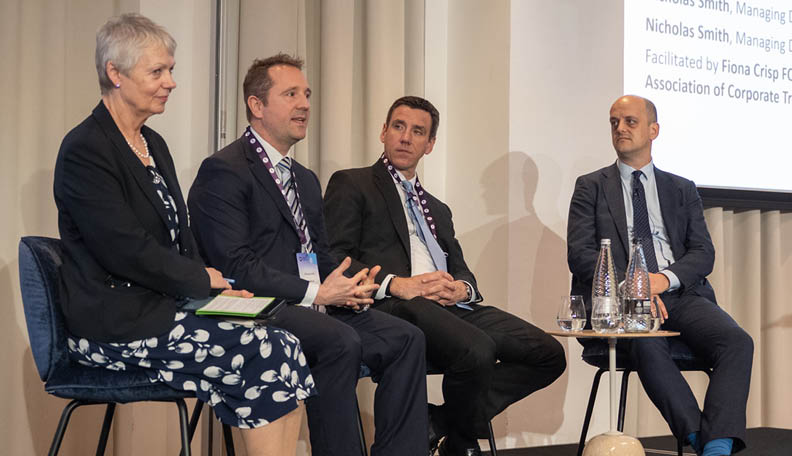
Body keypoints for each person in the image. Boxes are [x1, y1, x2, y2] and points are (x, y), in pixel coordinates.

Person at [53, 15, 314, 456]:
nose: (171, 82)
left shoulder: (154, 144)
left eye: (170, 70)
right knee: (262, 350)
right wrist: (202, 282)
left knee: (285, 342)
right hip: (112, 325)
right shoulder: (86, 150)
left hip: (161, 309)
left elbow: (182, 239)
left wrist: (223, 295)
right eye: (157, 71)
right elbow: (126, 252)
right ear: (115, 73)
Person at [187, 54, 428, 456]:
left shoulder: (304, 178)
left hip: (310, 302)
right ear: (257, 105)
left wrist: (351, 284)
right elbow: (235, 266)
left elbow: (319, 252)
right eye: (291, 94)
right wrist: (314, 294)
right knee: (339, 341)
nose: (304, 104)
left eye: (307, 94)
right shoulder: (224, 171)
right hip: (253, 303)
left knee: (406, 338)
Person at [323, 96, 567, 456]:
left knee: (548, 354)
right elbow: (333, 256)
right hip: (394, 304)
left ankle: (440, 423)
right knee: (477, 350)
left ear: (430, 144)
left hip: (449, 307)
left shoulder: (437, 208)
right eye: (398, 127)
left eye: (417, 131)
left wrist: (462, 288)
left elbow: (461, 267)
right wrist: (398, 285)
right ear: (383, 132)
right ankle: (462, 445)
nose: (406, 137)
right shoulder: (353, 184)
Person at [567, 95, 754, 456]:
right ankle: (701, 440)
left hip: (679, 294)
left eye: (630, 122)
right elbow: (581, 254)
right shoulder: (591, 186)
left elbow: (703, 253)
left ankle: (717, 442)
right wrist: (633, 286)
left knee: (737, 342)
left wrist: (661, 280)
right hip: (621, 301)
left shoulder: (681, 188)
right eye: (614, 122)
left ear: (653, 130)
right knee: (646, 338)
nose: (620, 128)